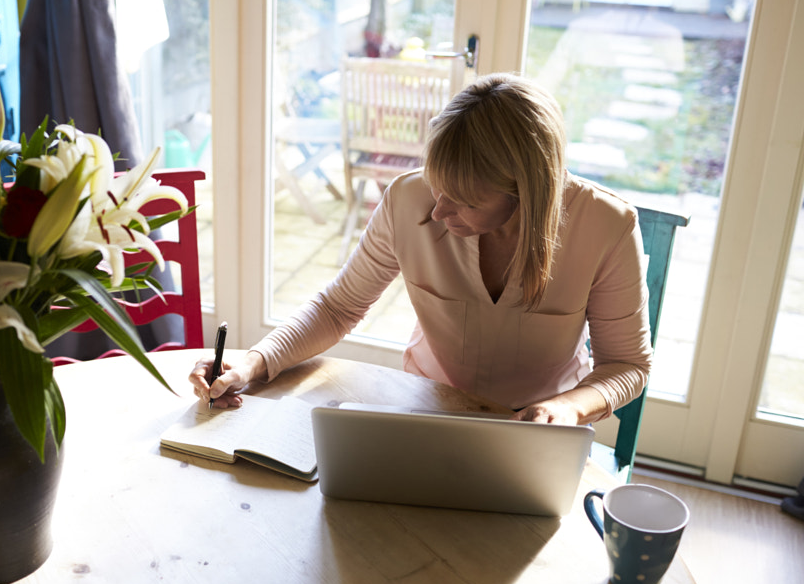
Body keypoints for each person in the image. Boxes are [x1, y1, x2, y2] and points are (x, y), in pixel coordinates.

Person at [191, 73, 652, 425]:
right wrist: (253, 361)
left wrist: (567, 408)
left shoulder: (608, 226)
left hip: (539, 430)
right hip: (425, 409)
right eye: (437, 187)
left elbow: (626, 364)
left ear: (527, 194)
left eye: (465, 201)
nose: (437, 213)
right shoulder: (406, 199)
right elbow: (338, 308)